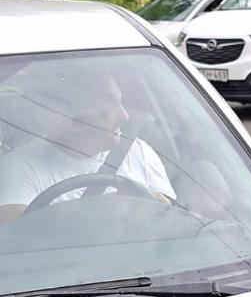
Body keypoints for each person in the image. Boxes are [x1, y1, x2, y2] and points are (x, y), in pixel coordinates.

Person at [0, 65, 176, 224]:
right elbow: (16, 236)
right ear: (73, 123)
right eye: (109, 110)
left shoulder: (138, 151)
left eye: (120, 103)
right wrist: (105, 209)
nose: (124, 116)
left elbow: (174, 222)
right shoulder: (21, 168)